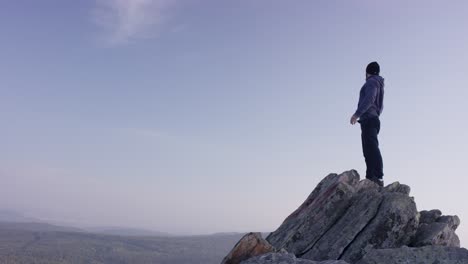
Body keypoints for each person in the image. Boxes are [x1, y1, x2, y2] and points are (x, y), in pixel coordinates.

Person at [350, 61, 385, 186]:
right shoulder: (379, 84)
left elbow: (370, 98)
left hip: (369, 119)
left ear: (367, 72)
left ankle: (377, 176)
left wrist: (357, 114)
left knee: (371, 148)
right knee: (369, 149)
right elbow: (380, 105)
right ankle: (371, 176)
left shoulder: (371, 82)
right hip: (373, 118)